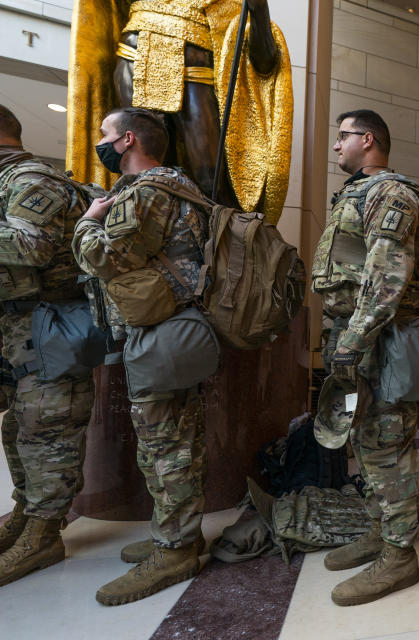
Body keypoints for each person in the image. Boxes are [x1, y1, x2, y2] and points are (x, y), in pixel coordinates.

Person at [72, 107, 210, 605]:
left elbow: (108, 258)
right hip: (176, 333)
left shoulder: (147, 191)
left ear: (127, 140)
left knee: (163, 446)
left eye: (105, 135)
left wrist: (87, 224)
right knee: (179, 440)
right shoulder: (180, 187)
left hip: (159, 334)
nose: (101, 143)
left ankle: (174, 550)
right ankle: (180, 536)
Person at [311, 109, 419, 606]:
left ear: (368, 139)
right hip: (354, 341)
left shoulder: (392, 193)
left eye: (343, 137)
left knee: (387, 446)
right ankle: (380, 531)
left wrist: (353, 340)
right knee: (362, 441)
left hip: (376, 343)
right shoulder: (358, 192)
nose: (336, 146)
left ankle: (400, 555)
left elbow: (388, 278)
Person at [66, 0, 293, 221]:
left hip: (198, 66)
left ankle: (223, 245)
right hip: (137, 52)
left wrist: (259, 9)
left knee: (209, 177)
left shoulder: (227, 10)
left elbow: (264, 63)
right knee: (138, 168)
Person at [0, 105, 95, 587]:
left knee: (48, 429)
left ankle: (43, 534)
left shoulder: (32, 180)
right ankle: (24, 514)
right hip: (20, 328)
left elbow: (30, 246)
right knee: (19, 426)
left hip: (50, 325)